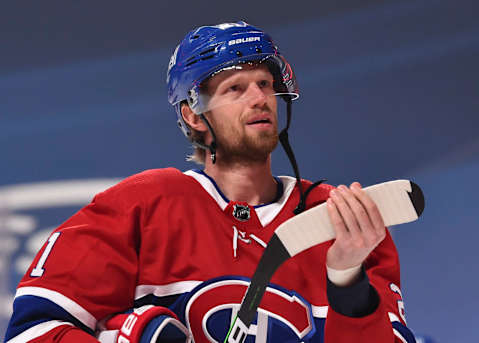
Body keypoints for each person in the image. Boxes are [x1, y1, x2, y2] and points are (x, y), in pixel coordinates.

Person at [4, 22, 417, 343]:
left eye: (265, 85)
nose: (259, 98)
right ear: (193, 115)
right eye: (235, 88)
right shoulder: (144, 205)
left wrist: (347, 281)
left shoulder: (339, 218)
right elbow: (33, 332)